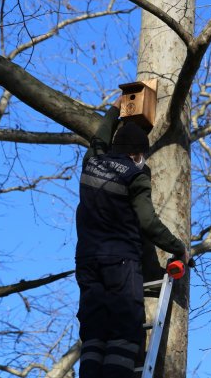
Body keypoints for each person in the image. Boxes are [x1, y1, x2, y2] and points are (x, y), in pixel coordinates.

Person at [75, 98, 188, 378]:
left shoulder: (91, 162)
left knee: (94, 330)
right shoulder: (135, 176)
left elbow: (99, 137)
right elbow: (147, 222)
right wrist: (179, 248)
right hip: (120, 262)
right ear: (138, 154)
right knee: (124, 331)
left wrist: (115, 109)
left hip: (87, 262)